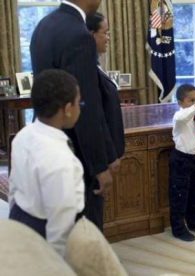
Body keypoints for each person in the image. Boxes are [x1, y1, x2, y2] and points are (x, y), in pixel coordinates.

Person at [30, 0, 117, 231]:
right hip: (76, 153)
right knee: (84, 233)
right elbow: (86, 106)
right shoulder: (78, 34)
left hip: (48, 145)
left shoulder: (44, 25)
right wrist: (99, 165)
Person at [9, 69, 84, 257]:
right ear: (67, 110)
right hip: (44, 230)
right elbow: (61, 220)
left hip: (19, 217)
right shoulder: (61, 159)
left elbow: (13, 188)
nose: (80, 108)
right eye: (78, 103)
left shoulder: (22, 135)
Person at [169, 84, 195, 242]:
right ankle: (178, 228)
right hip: (181, 160)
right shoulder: (179, 118)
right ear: (180, 103)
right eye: (191, 100)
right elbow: (183, 117)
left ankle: (194, 221)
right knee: (179, 195)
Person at [86, 12, 125, 164]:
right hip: (102, 156)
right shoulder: (88, 69)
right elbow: (96, 117)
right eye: (105, 32)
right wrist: (109, 154)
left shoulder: (95, 64)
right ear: (92, 34)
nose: (108, 37)